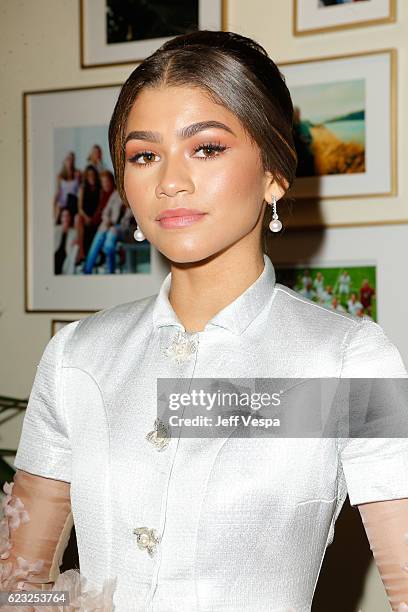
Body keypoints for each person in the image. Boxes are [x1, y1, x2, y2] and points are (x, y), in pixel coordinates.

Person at [2, 30, 408, 612]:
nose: (170, 181)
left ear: (273, 174)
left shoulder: (349, 361)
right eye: (144, 156)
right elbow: (17, 590)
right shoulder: (76, 357)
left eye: (207, 148)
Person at [53, 152, 81, 223]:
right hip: (63, 202)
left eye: (72, 159)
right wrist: (54, 202)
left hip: (73, 201)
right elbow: (58, 191)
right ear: (65, 161)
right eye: (68, 159)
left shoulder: (77, 174)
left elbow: (80, 189)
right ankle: (56, 224)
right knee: (58, 206)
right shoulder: (60, 176)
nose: (70, 161)